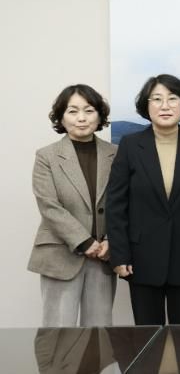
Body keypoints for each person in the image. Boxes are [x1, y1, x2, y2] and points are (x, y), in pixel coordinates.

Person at [106, 74, 180, 325]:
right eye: (157, 99)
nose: (165, 106)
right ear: (146, 106)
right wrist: (120, 254)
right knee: (148, 334)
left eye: (172, 98)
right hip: (141, 258)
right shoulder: (130, 145)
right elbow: (116, 205)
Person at [28, 84, 117, 326]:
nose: (81, 118)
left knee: (99, 333)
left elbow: (123, 203)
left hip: (103, 255)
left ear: (99, 115)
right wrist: (85, 242)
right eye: (73, 111)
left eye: (89, 110)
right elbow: (49, 206)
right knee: (58, 332)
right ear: (61, 117)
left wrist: (112, 240)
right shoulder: (46, 156)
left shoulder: (116, 154)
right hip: (60, 254)